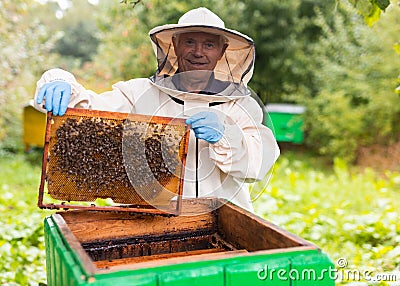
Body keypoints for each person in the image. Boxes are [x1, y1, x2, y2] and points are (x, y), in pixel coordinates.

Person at [34, 7, 280, 213]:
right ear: (174, 44)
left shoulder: (241, 105)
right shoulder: (139, 94)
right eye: (190, 42)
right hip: (151, 218)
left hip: (223, 219)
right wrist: (59, 79)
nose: (198, 52)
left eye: (208, 45)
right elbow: (86, 109)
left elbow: (258, 166)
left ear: (222, 51)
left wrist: (228, 136)